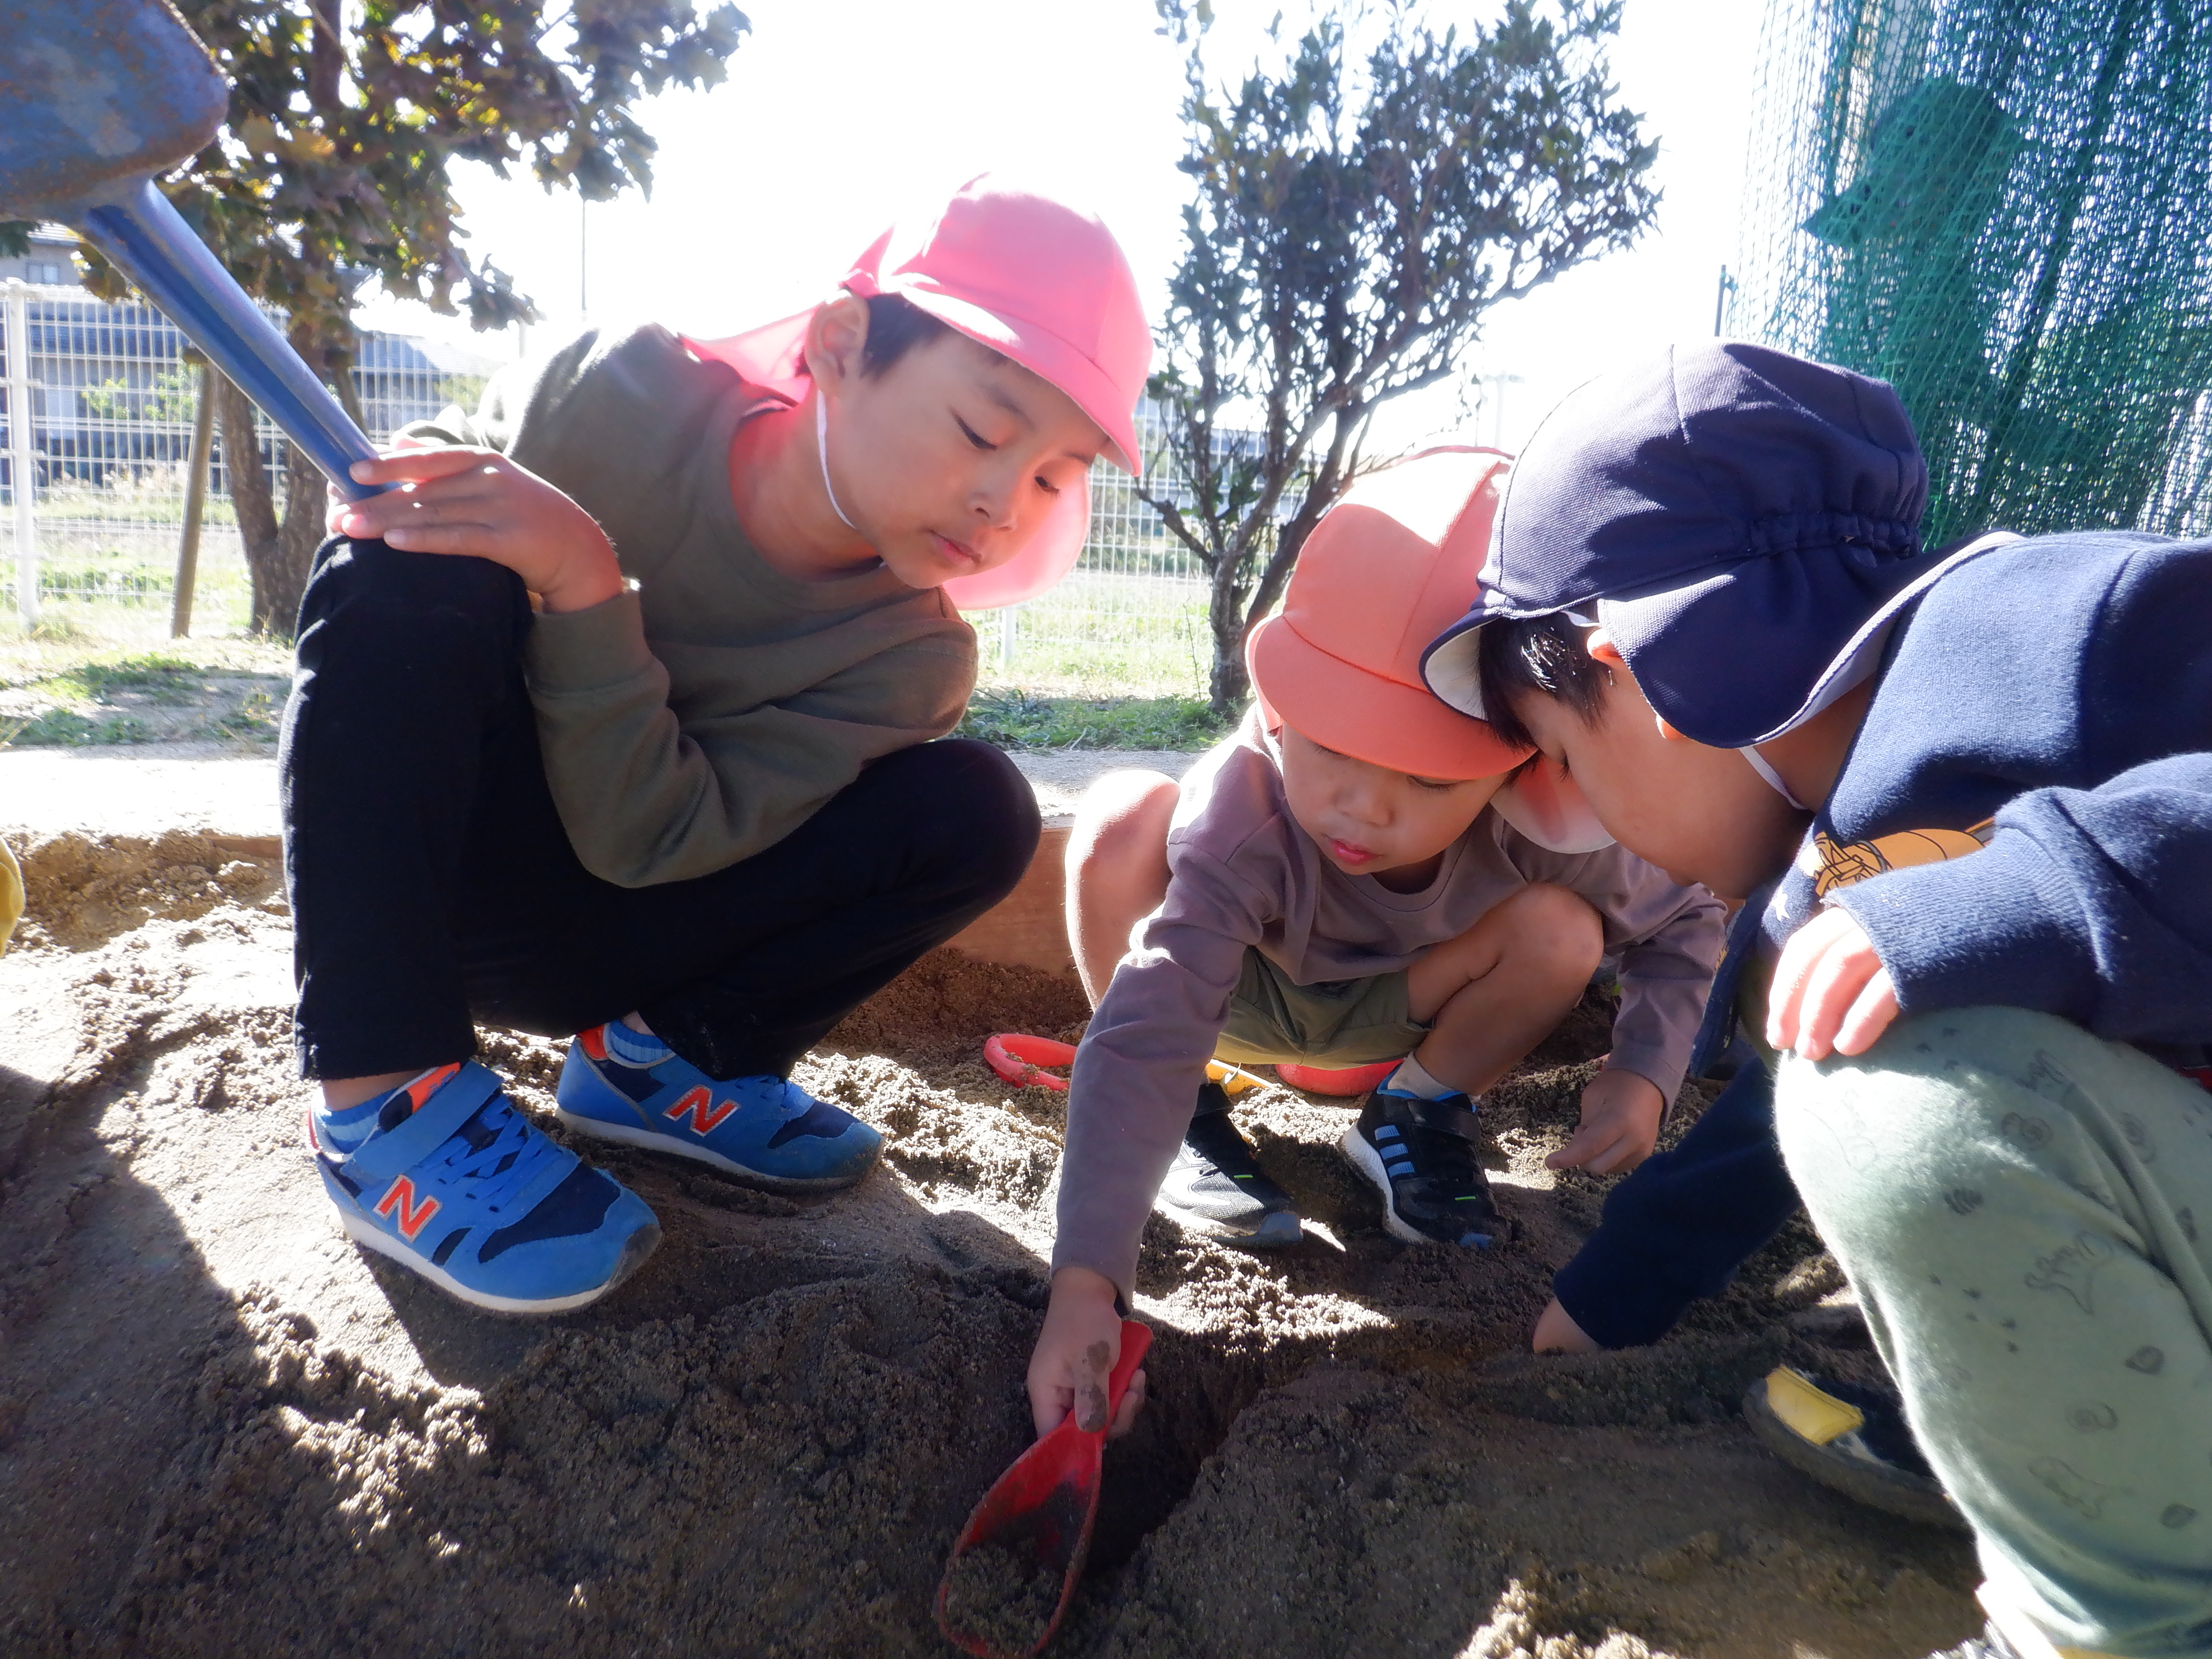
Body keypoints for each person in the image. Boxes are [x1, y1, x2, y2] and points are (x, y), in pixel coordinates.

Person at [1425, 339, 2212, 1659]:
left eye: (1565, 757)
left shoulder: (2051, 629)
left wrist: (2036, 887)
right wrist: (1612, 1298)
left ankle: (2123, 1627)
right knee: (1857, 1068)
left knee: (1886, 1088)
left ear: (1639, 676)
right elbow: (1776, 1109)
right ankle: (2079, 1462)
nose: (1585, 820)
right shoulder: (1829, 859)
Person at [285, 176, 1152, 1315]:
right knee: (406, 567)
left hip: (610, 911)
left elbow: (649, 840)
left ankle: (665, 1064)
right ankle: (382, 1096)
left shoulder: (909, 656)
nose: (1004, 502)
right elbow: (408, 515)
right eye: (982, 432)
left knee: (975, 810)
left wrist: (584, 581)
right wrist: (445, 494)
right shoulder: (617, 394)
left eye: (1050, 478)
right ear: (842, 345)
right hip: (418, 873)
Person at [1026, 447, 1726, 1438]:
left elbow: (1687, 917)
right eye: (1332, 748)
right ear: (1280, 711)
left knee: (1563, 930)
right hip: (1234, 1002)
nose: (1363, 807)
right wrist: (1086, 1284)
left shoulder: (1541, 828)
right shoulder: (1247, 810)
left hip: (1405, 1015)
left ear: (1522, 768)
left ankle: (1417, 1116)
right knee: (1120, 820)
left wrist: (1645, 1071)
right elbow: (1151, 1024)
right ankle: (1188, 1119)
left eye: (1430, 779)